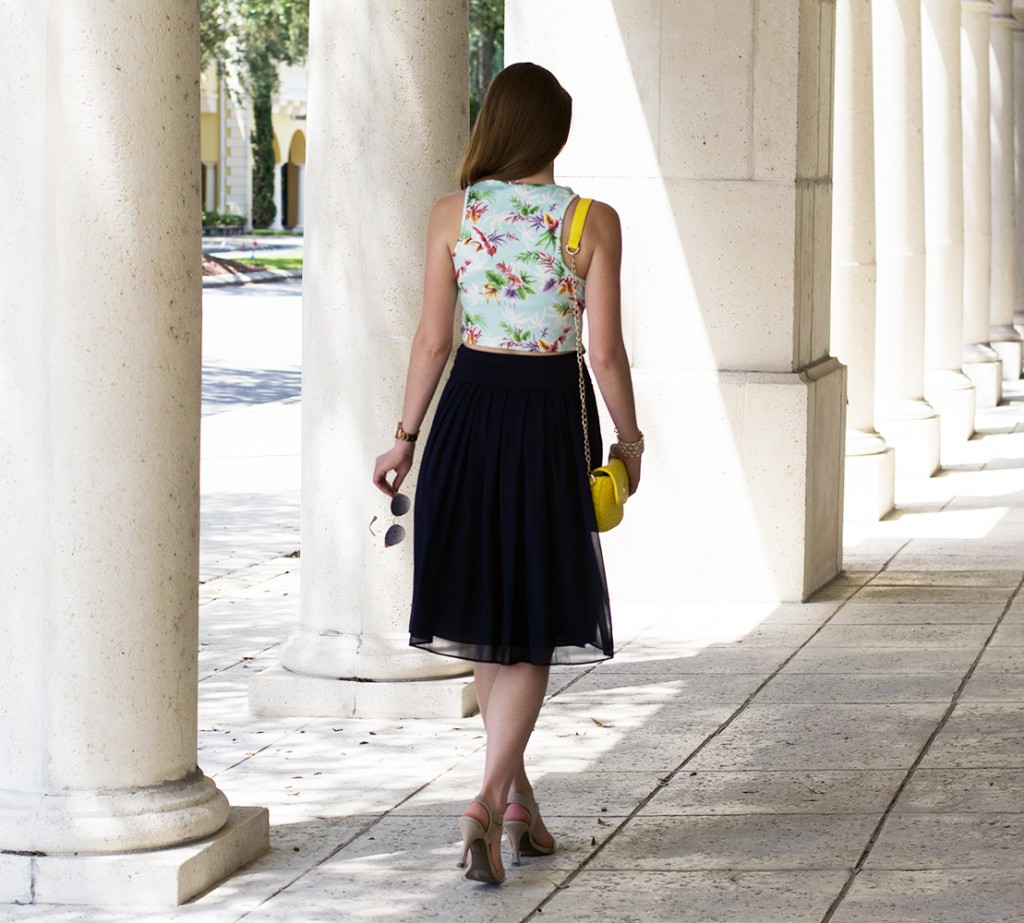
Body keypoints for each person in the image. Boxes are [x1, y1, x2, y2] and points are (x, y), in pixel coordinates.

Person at [372, 62, 643, 886]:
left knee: (492, 614)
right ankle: (486, 800)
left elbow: (431, 340)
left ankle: (519, 802)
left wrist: (404, 438)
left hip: (463, 420)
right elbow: (602, 353)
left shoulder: (454, 215)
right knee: (528, 621)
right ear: (555, 133)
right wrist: (630, 439)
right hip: (545, 428)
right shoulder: (592, 222)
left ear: (492, 124)